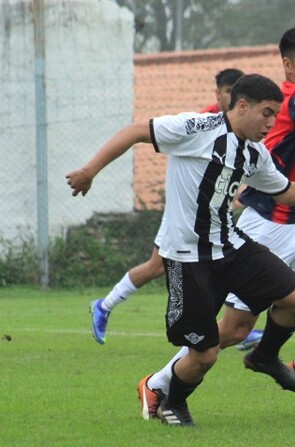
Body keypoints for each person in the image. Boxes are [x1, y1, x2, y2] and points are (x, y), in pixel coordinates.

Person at [66, 73, 295, 427]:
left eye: (276, 116)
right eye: (267, 113)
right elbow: (136, 131)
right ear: (242, 106)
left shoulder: (255, 152)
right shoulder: (196, 127)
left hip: (230, 247)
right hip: (187, 259)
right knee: (206, 353)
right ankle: (170, 401)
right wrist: (90, 171)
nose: (271, 123)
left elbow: (286, 190)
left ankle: (265, 356)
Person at [138, 26, 295, 416]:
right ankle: (159, 384)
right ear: (288, 65)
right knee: (231, 331)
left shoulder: (284, 106)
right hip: (262, 226)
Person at [88, 68, 248, 346]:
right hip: (186, 214)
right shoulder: (203, 122)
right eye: (229, 92)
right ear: (218, 94)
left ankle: (105, 305)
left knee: (160, 266)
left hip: (207, 216)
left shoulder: (245, 125)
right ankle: (230, 326)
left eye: (239, 93)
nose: (234, 99)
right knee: (167, 265)